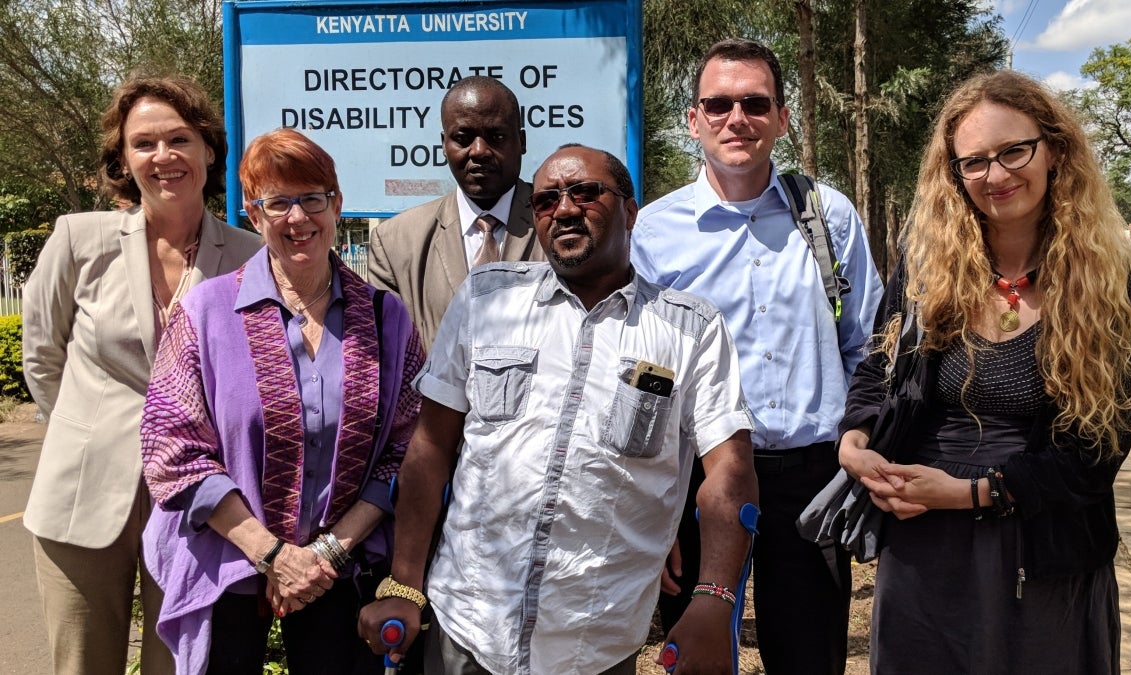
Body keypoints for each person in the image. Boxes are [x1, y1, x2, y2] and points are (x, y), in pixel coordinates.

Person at [358, 144, 759, 675]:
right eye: (545, 200)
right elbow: (430, 449)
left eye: (586, 193)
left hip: (596, 641)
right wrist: (404, 580)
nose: (564, 209)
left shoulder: (691, 328)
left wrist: (714, 598)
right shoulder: (486, 299)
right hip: (469, 632)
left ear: (630, 211)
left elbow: (729, 473)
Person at [839, 70, 1131, 674]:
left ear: (1054, 149)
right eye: (974, 162)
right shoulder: (927, 267)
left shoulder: (1107, 286)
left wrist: (969, 493)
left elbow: (1097, 454)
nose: (996, 176)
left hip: (1040, 549)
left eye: (1014, 151)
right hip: (924, 542)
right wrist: (855, 438)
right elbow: (881, 367)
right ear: (953, 173)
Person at [631, 38, 883, 674]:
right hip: (698, 477)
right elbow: (641, 377)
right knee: (699, 659)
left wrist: (858, 448)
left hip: (811, 477)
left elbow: (867, 346)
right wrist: (645, 508)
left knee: (809, 658)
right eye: (717, 104)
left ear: (781, 117)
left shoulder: (828, 217)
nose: (735, 118)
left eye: (754, 102)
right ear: (693, 120)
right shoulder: (655, 231)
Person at [139, 128, 424, 675]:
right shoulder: (205, 313)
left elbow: (405, 451)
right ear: (253, 214)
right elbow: (171, 451)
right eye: (277, 203)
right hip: (228, 564)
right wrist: (272, 555)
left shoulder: (386, 318)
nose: (298, 219)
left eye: (312, 199)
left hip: (341, 570)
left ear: (336, 204)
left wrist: (324, 555)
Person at [21, 73, 262, 675]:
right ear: (123, 159)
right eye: (144, 144)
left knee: (179, 663)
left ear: (209, 148)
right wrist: (81, 432)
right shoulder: (80, 239)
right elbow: (41, 353)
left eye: (179, 139)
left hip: (198, 502)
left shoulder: (250, 255)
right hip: (82, 493)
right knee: (82, 664)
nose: (164, 157)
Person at [368, 76, 544, 353]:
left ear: (521, 141)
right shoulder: (395, 242)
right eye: (462, 138)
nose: (479, 151)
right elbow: (390, 355)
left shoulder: (558, 223)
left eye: (496, 137)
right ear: (444, 144)